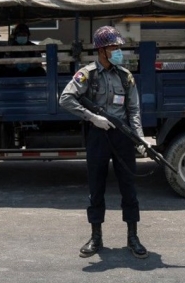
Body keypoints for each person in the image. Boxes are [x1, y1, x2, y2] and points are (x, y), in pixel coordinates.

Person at [59, 25, 148, 259]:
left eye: (119, 47)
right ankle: (96, 237)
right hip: (98, 136)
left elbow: (134, 110)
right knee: (96, 188)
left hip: (123, 136)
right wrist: (92, 117)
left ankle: (133, 236)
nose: (119, 51)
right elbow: (65, 98)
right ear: (101, 50)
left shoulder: (124, 75)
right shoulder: (88, 74)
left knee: (129, 187)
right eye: (114, 47)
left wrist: (139, 137)